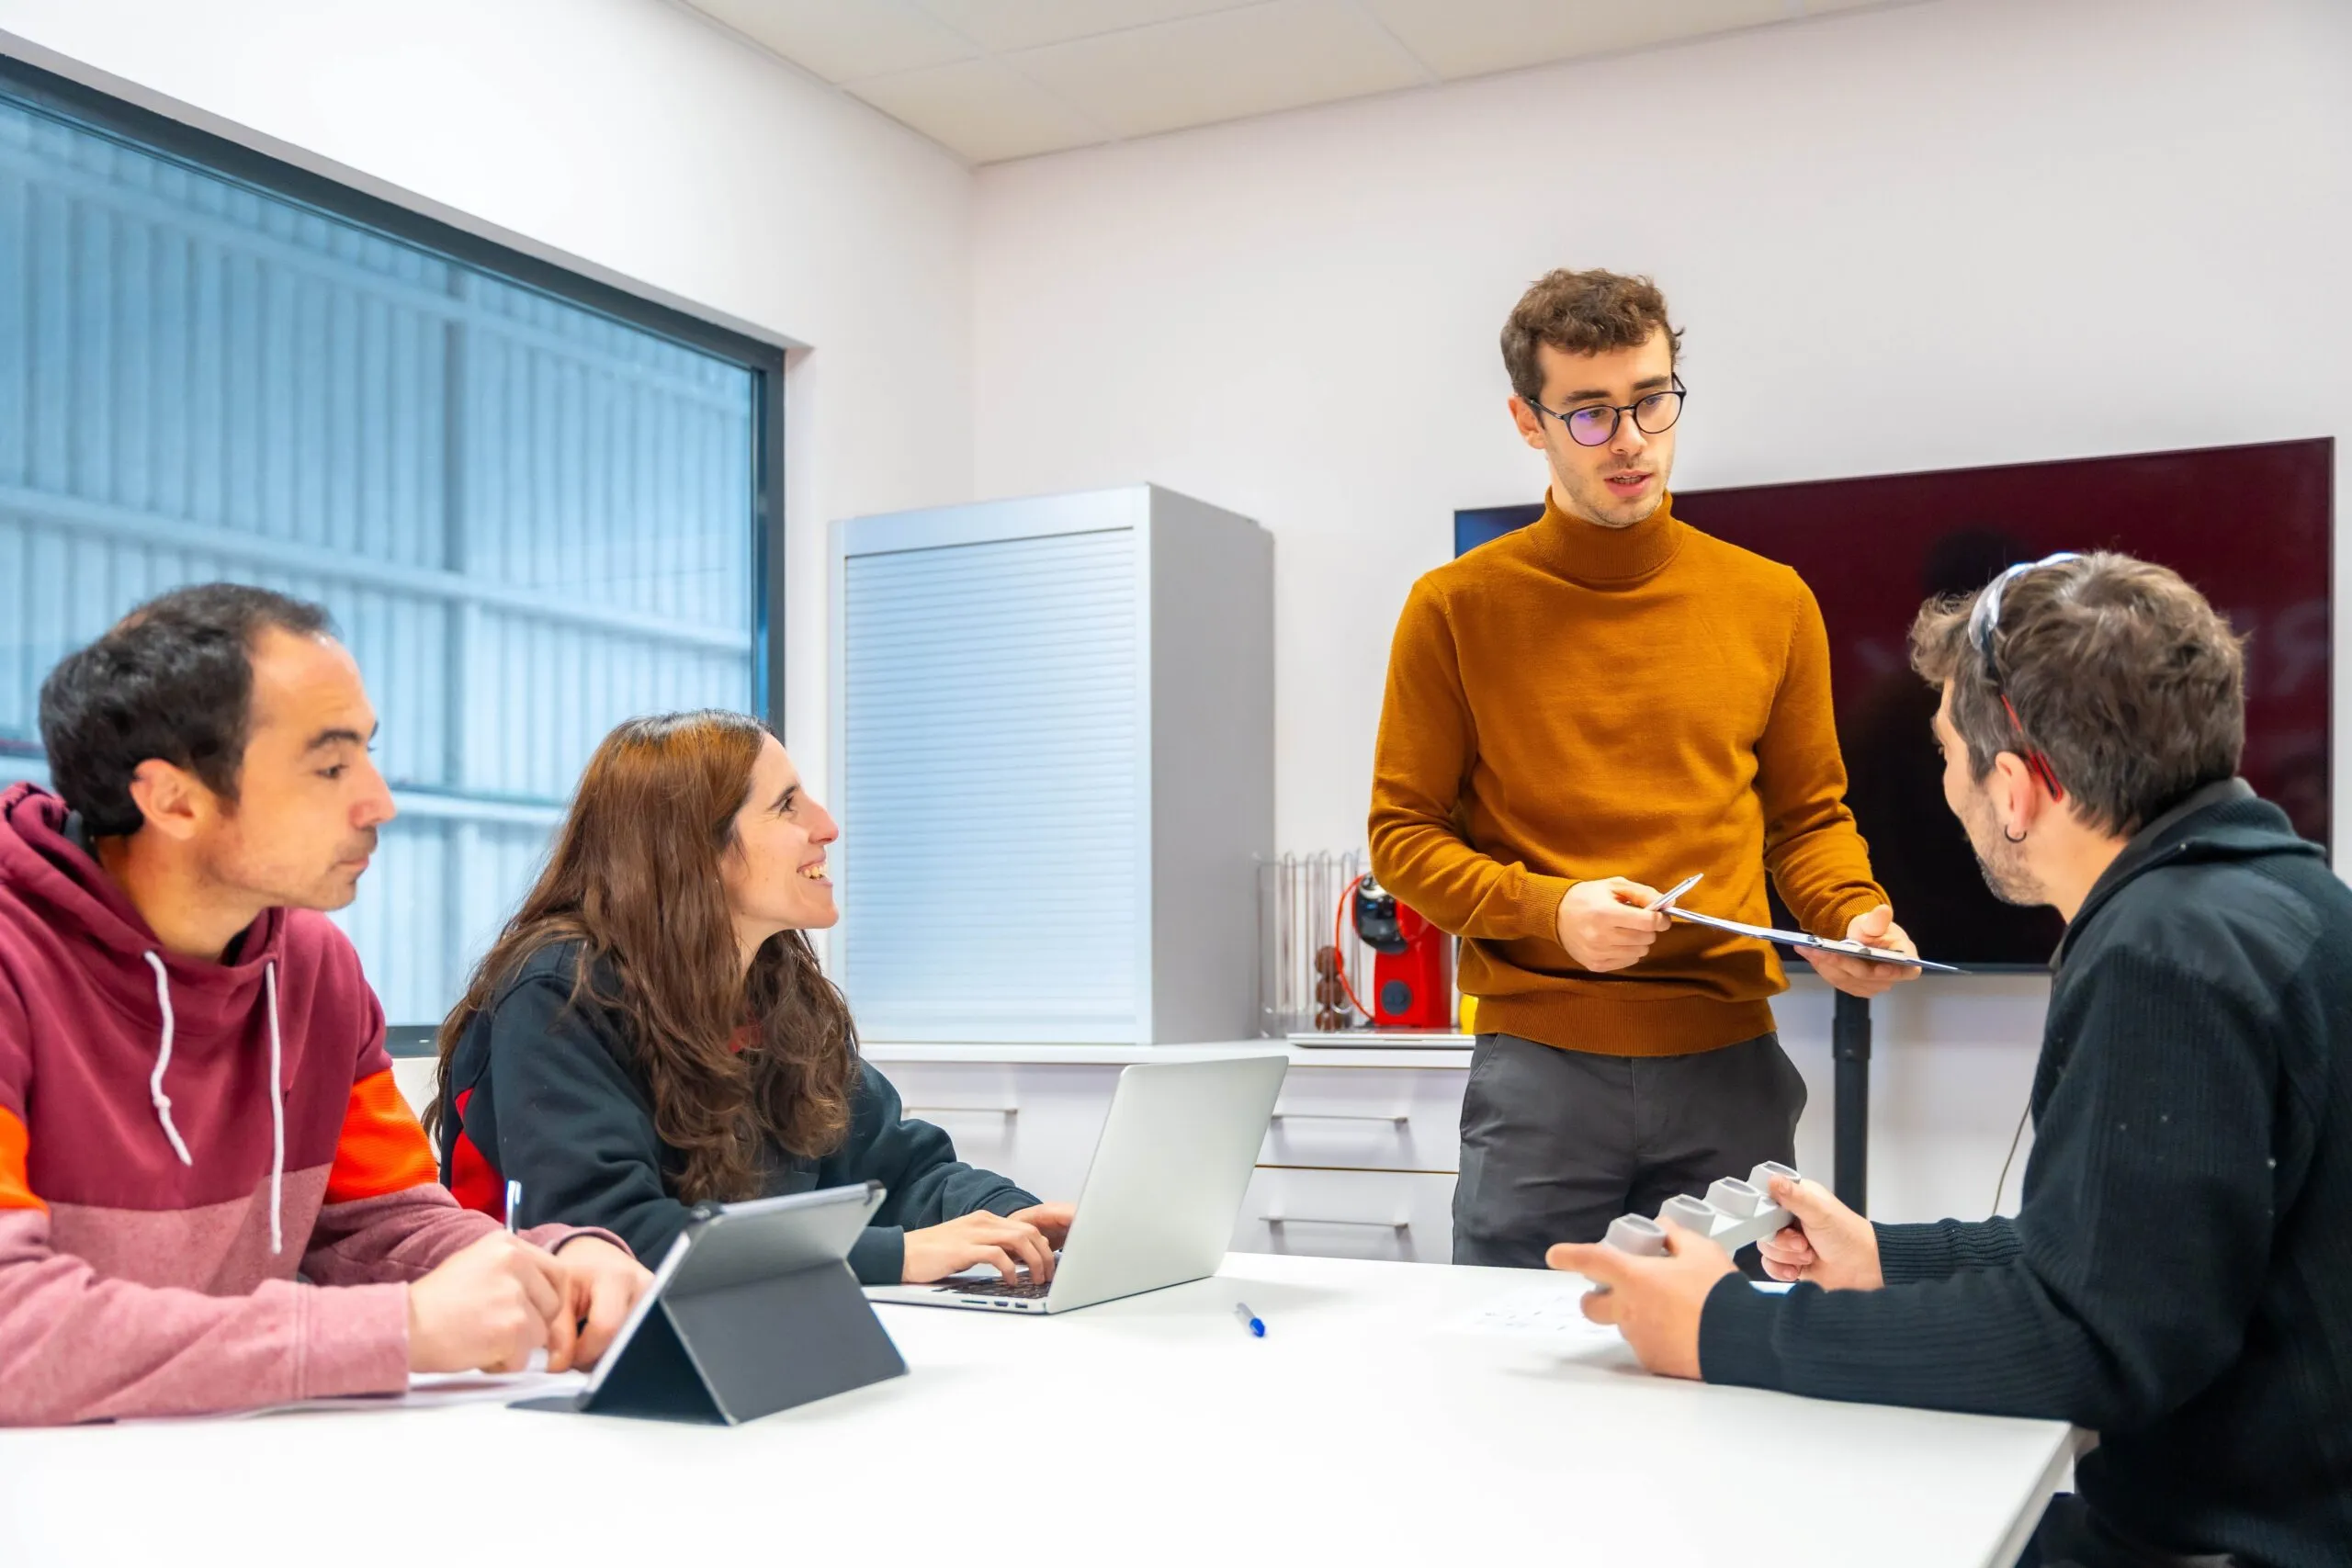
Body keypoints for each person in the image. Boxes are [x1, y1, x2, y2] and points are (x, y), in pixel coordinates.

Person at [1554, 553, 2351, 1568]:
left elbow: (2094, 1340)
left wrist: (1723, 1329)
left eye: (1947, 754)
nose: (1944, 784)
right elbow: (2140, 1257)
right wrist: (1890, 1258)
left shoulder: (2164, 954)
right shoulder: (2278, 899)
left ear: (2015, 788)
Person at [1368, 267, 1917, 1267]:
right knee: (1510, 1346)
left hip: (1729, 1069)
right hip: (1539, 1076)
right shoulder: (1453, 609)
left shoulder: (1773, 602)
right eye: (1589, 412)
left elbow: (1807, 818)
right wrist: (1553, 912)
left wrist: (1849, 917)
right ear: (1527, 421)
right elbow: (1401, 840)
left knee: (1737, 1343)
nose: (1629, 439)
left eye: (1651, 400)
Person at [0, 584, 650, 1426]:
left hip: (212, 1466)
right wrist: (399, 1331)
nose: (380, 802)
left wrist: (555, 1269)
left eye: (368, 755)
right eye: (331, 766)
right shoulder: (16, 959)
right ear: (173, 799)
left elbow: (385, 1226)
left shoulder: (314, 969)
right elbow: (13, 1331)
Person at [429, 709, 1075, 1287]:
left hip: (733, 1323)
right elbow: (612, 1236)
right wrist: (894, 1255)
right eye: (787, 806)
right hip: (548, 1357)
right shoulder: (558, 993)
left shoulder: (774, 989)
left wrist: (1012, 1219)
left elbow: (900, 1174)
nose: (827, 827)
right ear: (693, 848)